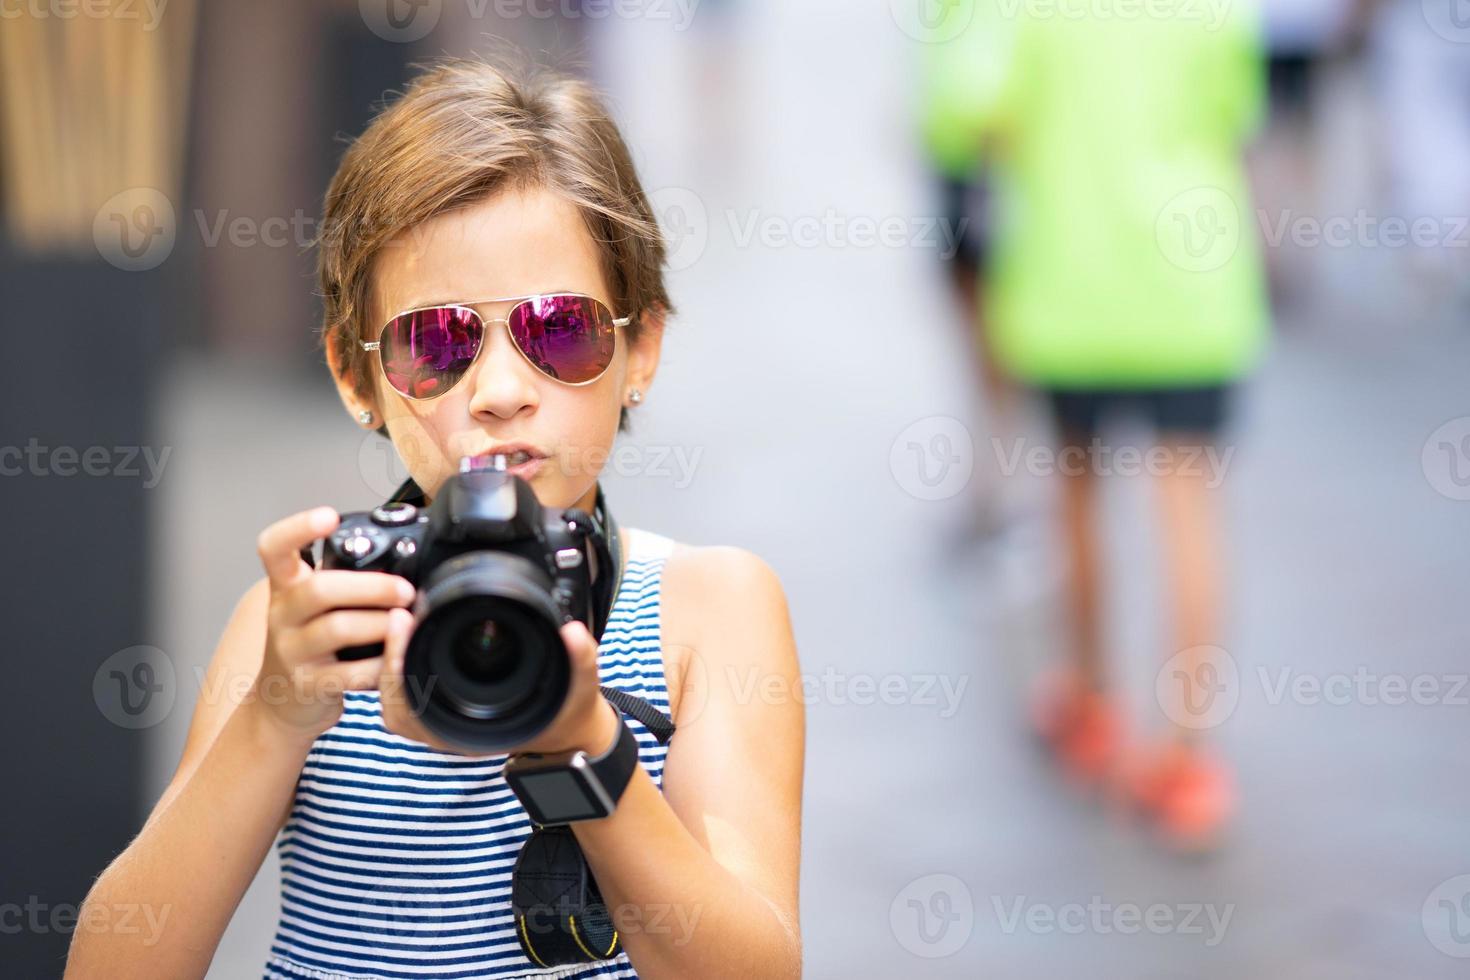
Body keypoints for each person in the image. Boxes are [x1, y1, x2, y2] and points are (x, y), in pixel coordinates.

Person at [65, 58, 804, 980]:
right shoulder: (311, 623)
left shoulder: (707, 611)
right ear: (354, 374)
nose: (499, 392)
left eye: (560, 331)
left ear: (640, 346)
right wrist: (276, 714)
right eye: (436, 343)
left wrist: (588, 750)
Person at [922, 5, 1271, 851]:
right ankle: (1188, 758)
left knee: (1076, 498)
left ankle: (1090, 700)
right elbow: (1239, 106)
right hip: (1193, 286)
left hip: (1071, 283)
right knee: (1190, 514)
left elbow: (965, 118)